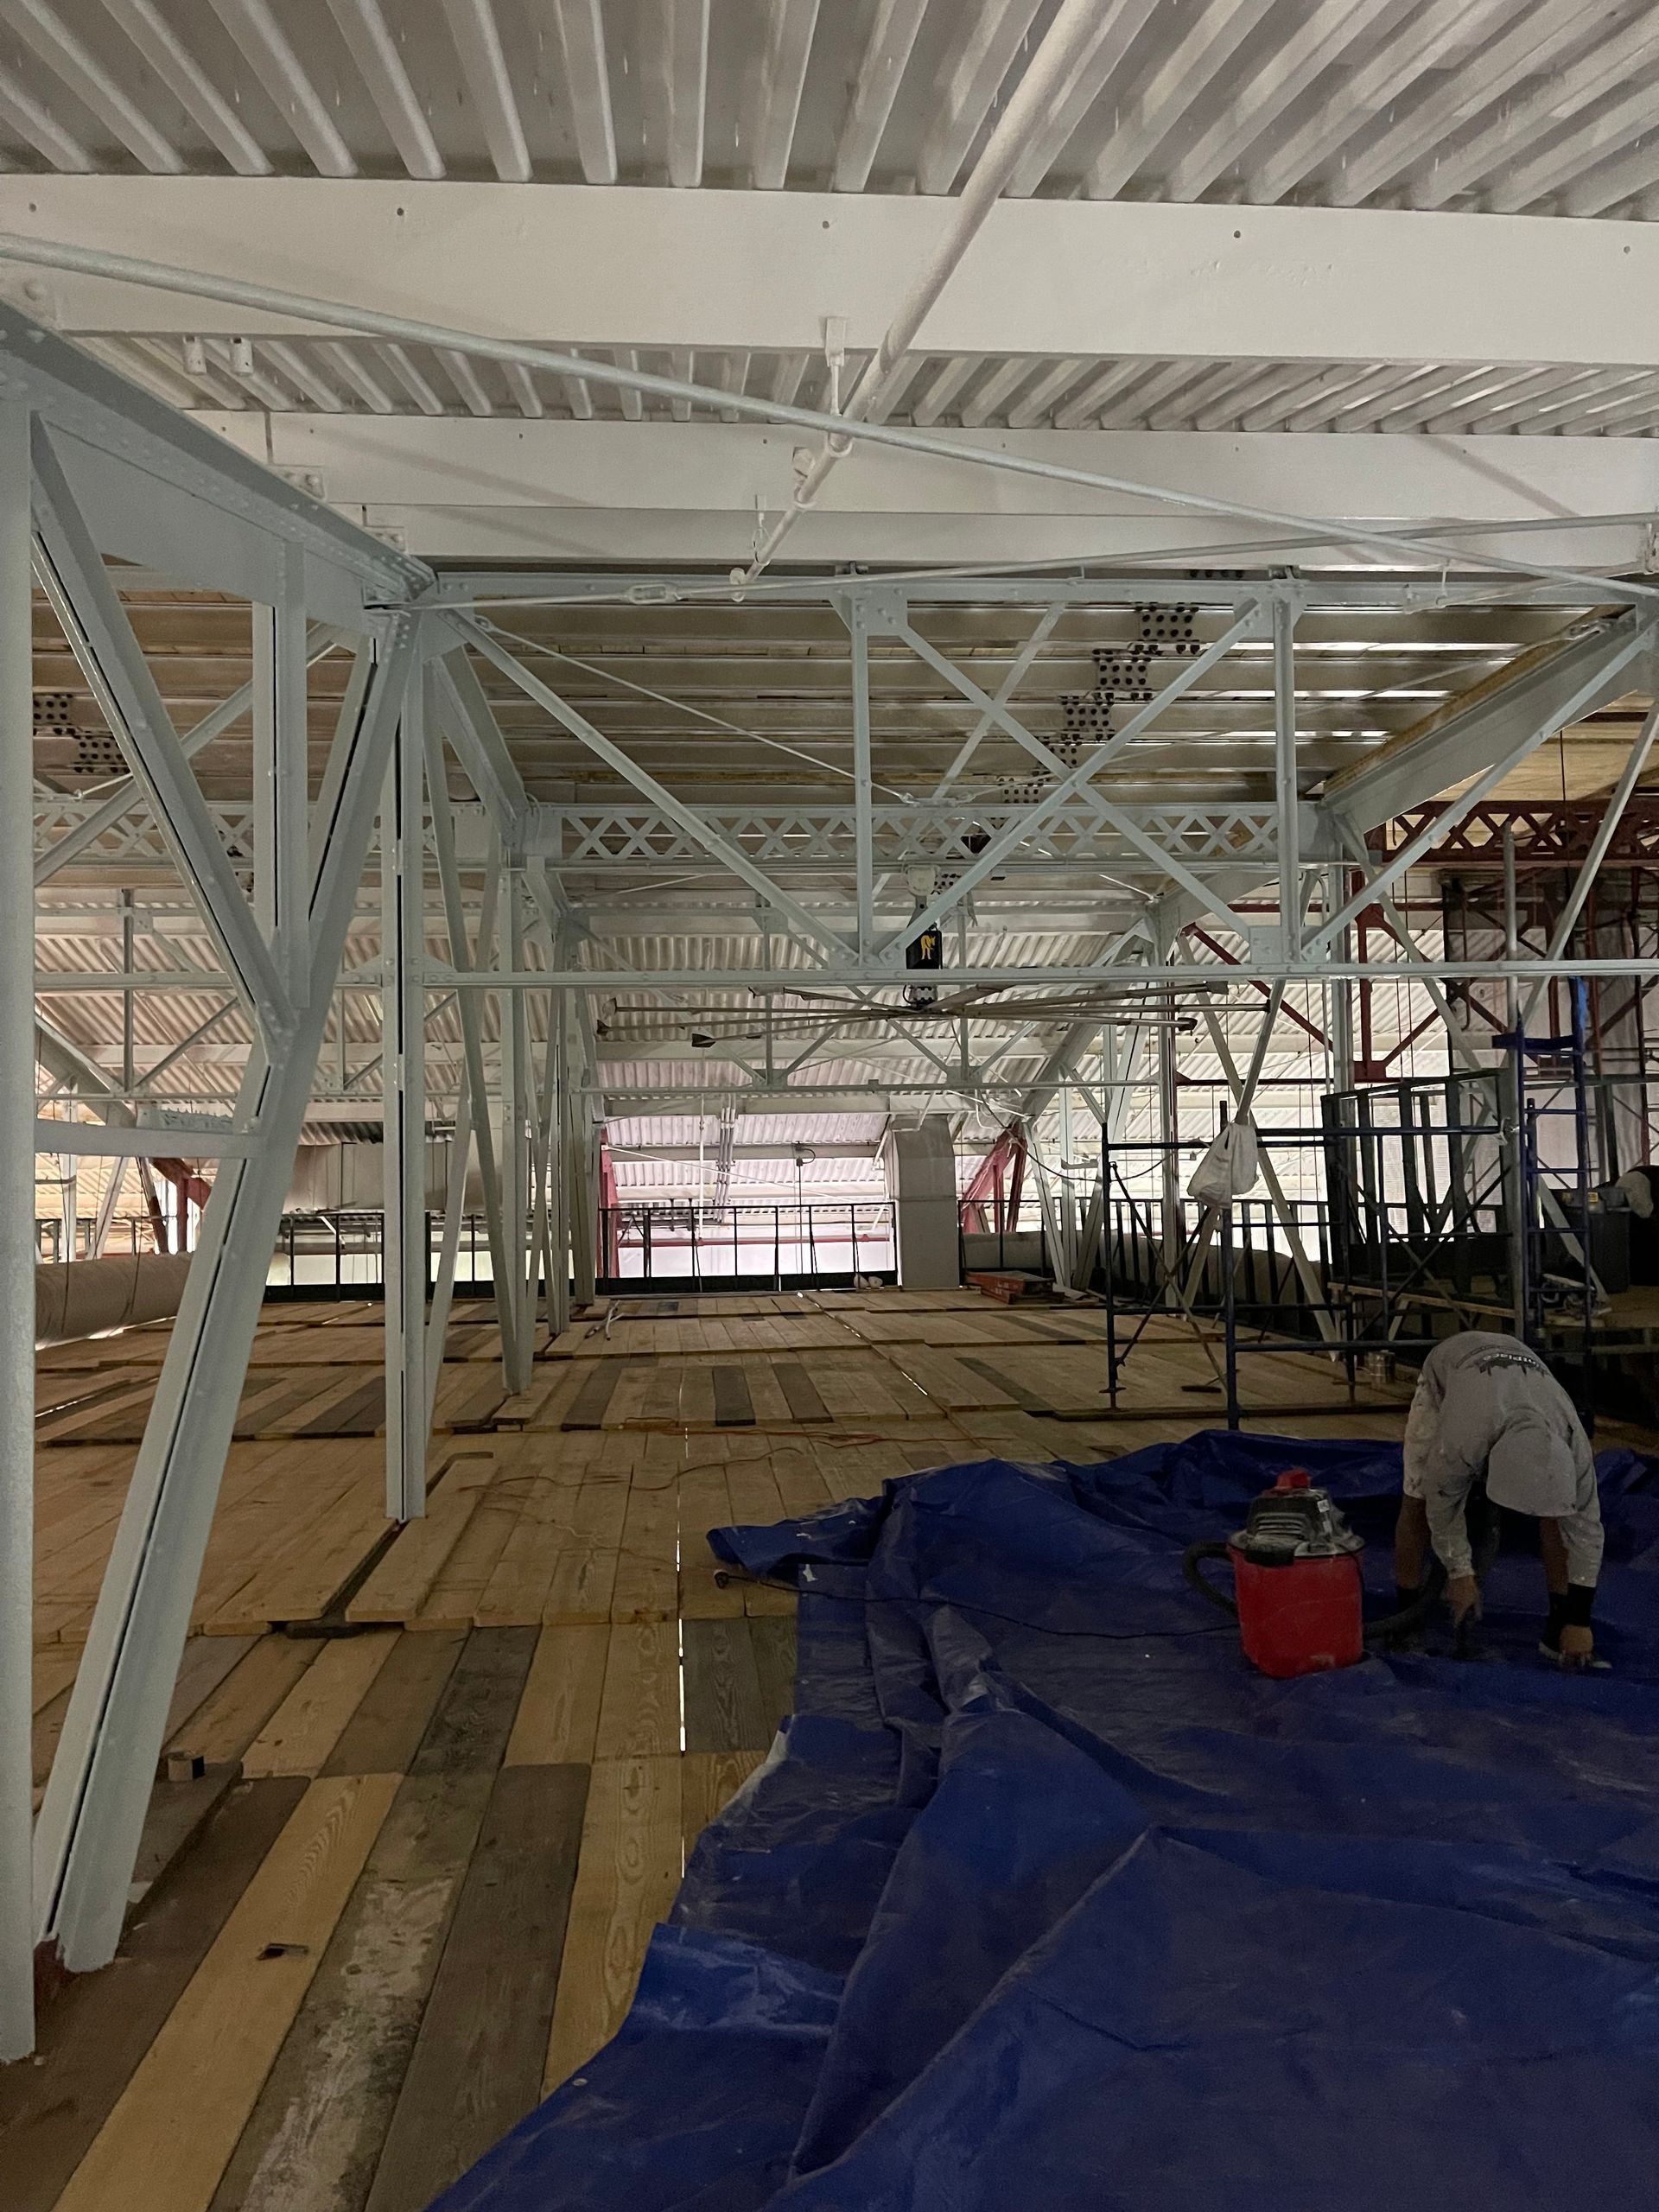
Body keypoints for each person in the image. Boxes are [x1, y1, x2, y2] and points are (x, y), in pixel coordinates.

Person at [1395, 1331, 1605, 1669]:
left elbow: (1586, 1533)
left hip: (1518, 1378)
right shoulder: (1462, 1436)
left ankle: (1558, 1625)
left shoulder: (1574, 1448)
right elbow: (1441, 1502)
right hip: (1453, 1363)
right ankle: (1406, 1621)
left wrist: (1579, 1620)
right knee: (1417, 1498)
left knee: (1557, 1512)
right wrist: (1460, 1572)